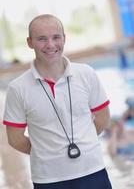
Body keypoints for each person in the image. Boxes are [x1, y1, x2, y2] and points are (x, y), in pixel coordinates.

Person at [3, 14, 112, 189]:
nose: (50, 45)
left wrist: (86, 140)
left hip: (92, 171)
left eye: (56, 37)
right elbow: (15, 139)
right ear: (29, 42)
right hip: (48, 180)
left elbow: (103, 118)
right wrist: (46, 152)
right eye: (41, 39)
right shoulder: (18, 88)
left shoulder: (86, 74)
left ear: (64, 38)